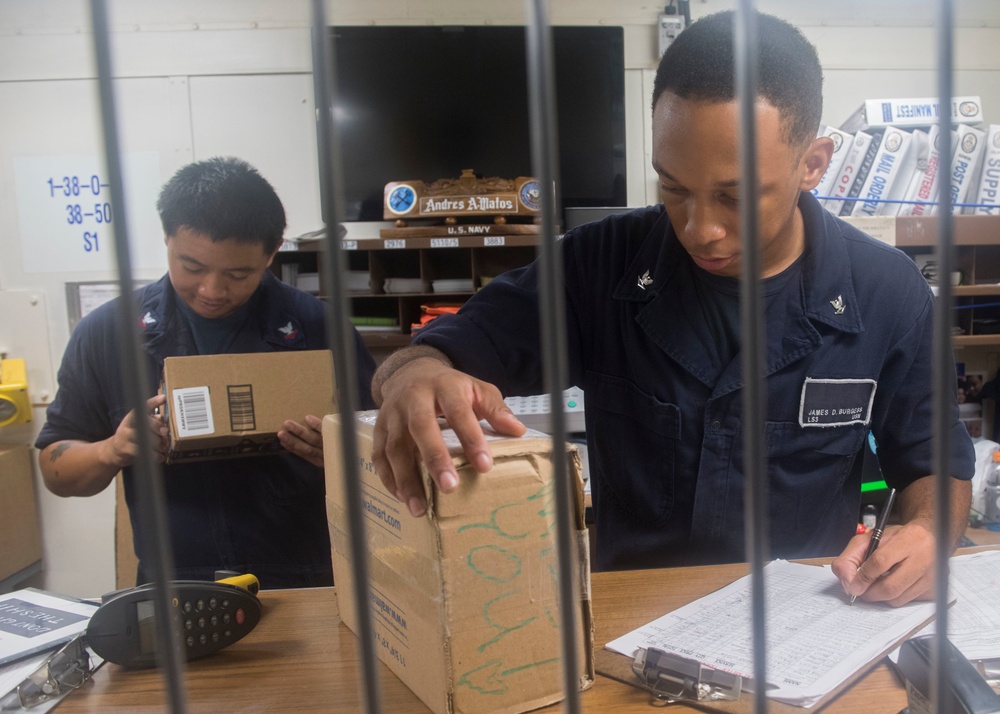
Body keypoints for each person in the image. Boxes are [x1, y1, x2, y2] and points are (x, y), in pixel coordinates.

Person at [369, 12, 975, 606]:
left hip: (810, 623)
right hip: (631, 624)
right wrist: (414, 376)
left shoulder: (887, 292)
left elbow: (935, 464)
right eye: (673, 187)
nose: (699, 228)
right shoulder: (596, 266)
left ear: (812, 164)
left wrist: (926, 536)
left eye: (733, 196)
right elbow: (442, 351)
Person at [36, 157, 377, 589]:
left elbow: (383, 459)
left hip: (309, 583)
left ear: (272, 254)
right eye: (192, 267)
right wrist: (113, 449)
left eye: (239, 274)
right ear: (167, 239)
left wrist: (340, 456)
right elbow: (54, 469)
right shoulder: (108, 332)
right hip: (175, 589)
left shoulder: (318, 328)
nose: (212, 291)